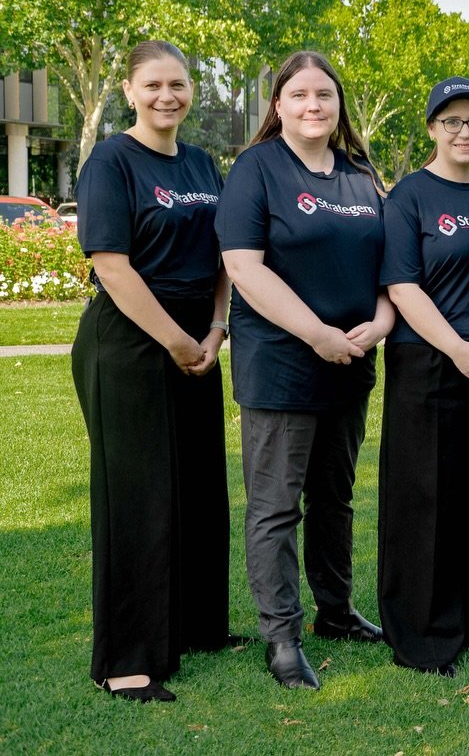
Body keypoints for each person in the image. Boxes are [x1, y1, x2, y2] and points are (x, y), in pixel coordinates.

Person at [216, 51, 392, 690]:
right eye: (299, 95)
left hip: (349, 361)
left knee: (336, 498)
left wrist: (379, 322)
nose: (313, 106)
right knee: (275, 505)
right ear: (278, 105)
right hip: (283, 364)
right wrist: (315, 333)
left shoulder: (361, 176)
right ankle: (281, 636)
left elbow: (390, 264)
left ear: (339, 105)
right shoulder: (256, 170)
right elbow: (245, 267)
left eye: (325, 95)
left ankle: (337, 612)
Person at [72, 39, 230, 702]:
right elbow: (111, 266)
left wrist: (216, 330)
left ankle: (197, 629)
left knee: (198, 490)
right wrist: (175, 341)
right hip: (132, 342)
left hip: (199, 336)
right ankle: (127, 661)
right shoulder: (112, 160)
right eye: (155, 85)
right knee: (138, 499)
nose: (168, 96)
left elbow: (228, 253)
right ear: (132, 91)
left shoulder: (202, 162)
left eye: (179, 84)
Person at [376, 77, 469, 677]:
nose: (465, 132)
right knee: (427, 498)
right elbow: (402, 285)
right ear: (433, 129)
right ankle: (426, 630)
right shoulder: (409, 196)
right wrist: (457, 347)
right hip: (430, 363)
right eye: (452, 121)